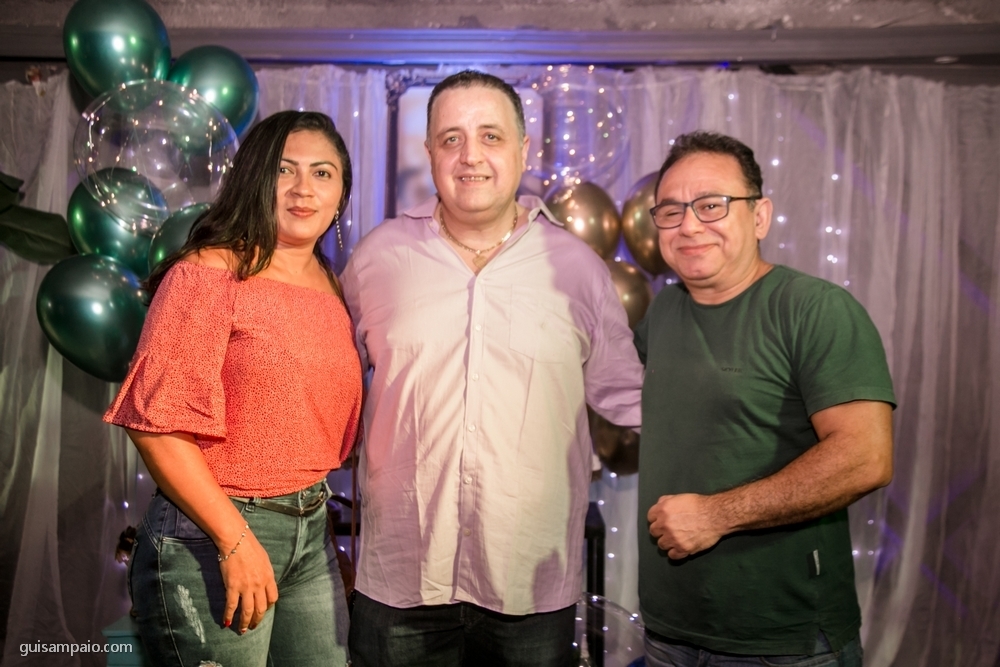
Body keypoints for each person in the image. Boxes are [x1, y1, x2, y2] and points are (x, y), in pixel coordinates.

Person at [341, 70, 644, 667]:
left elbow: (629, 397)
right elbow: (328, 385)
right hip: (400, 579)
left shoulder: (577, 269)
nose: (470, 155)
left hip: (529, 585)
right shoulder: (378, 257)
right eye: (451, 138)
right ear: (429, 153)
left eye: (491, 136)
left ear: (523, 149)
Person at [104, 110, 362, 667]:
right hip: (211, 531)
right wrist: (234, 538)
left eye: (322, 173)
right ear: (254, 178)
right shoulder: (208, 270)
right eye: (284, 170)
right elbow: (155, 425)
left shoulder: (328, 282)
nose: (303, 188)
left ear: (341, 192)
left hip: (311, 529)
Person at [633, 130, 896, 666]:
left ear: (759, 216)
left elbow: (866, 458)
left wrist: (716, 515)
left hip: (783, 643)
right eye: (671, 211)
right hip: (668, 632)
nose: (689, 225)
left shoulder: (815, 310)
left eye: (712, 205)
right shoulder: (662, 313)